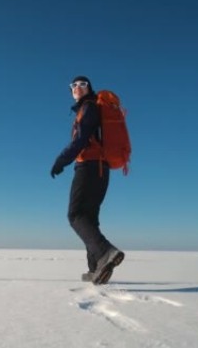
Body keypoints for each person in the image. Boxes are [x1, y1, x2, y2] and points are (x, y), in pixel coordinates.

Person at [51, 75, 125, 285]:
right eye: (73, 85)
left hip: (89, 167)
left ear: (89, 88)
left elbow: (81, 140)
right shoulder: (93, 109)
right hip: (101, 171)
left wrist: (61, 160)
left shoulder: (89, 108)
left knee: (74, 215)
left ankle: (105, 252)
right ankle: (96, 269)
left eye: (82, 84)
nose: (77, 87)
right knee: (89, 218)